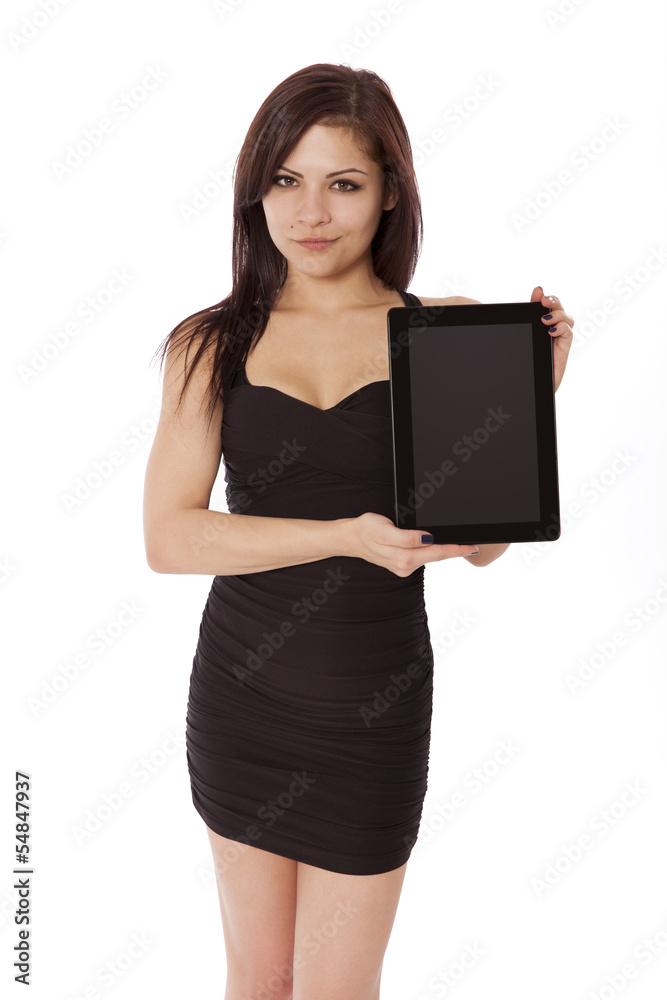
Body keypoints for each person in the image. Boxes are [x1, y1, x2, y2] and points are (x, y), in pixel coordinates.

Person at [143, 63, 574, 1000]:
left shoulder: (450, 332)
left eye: (343, 183)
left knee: (338, 988)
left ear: (388, 196)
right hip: (241, 700)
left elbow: (479, 542)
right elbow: (171, 539)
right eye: (286, 181)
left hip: (371, 709)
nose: (310, 212)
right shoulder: (211, 343)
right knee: (258, 980)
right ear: (256, 193)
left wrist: (526, 400)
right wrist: (341, 534)